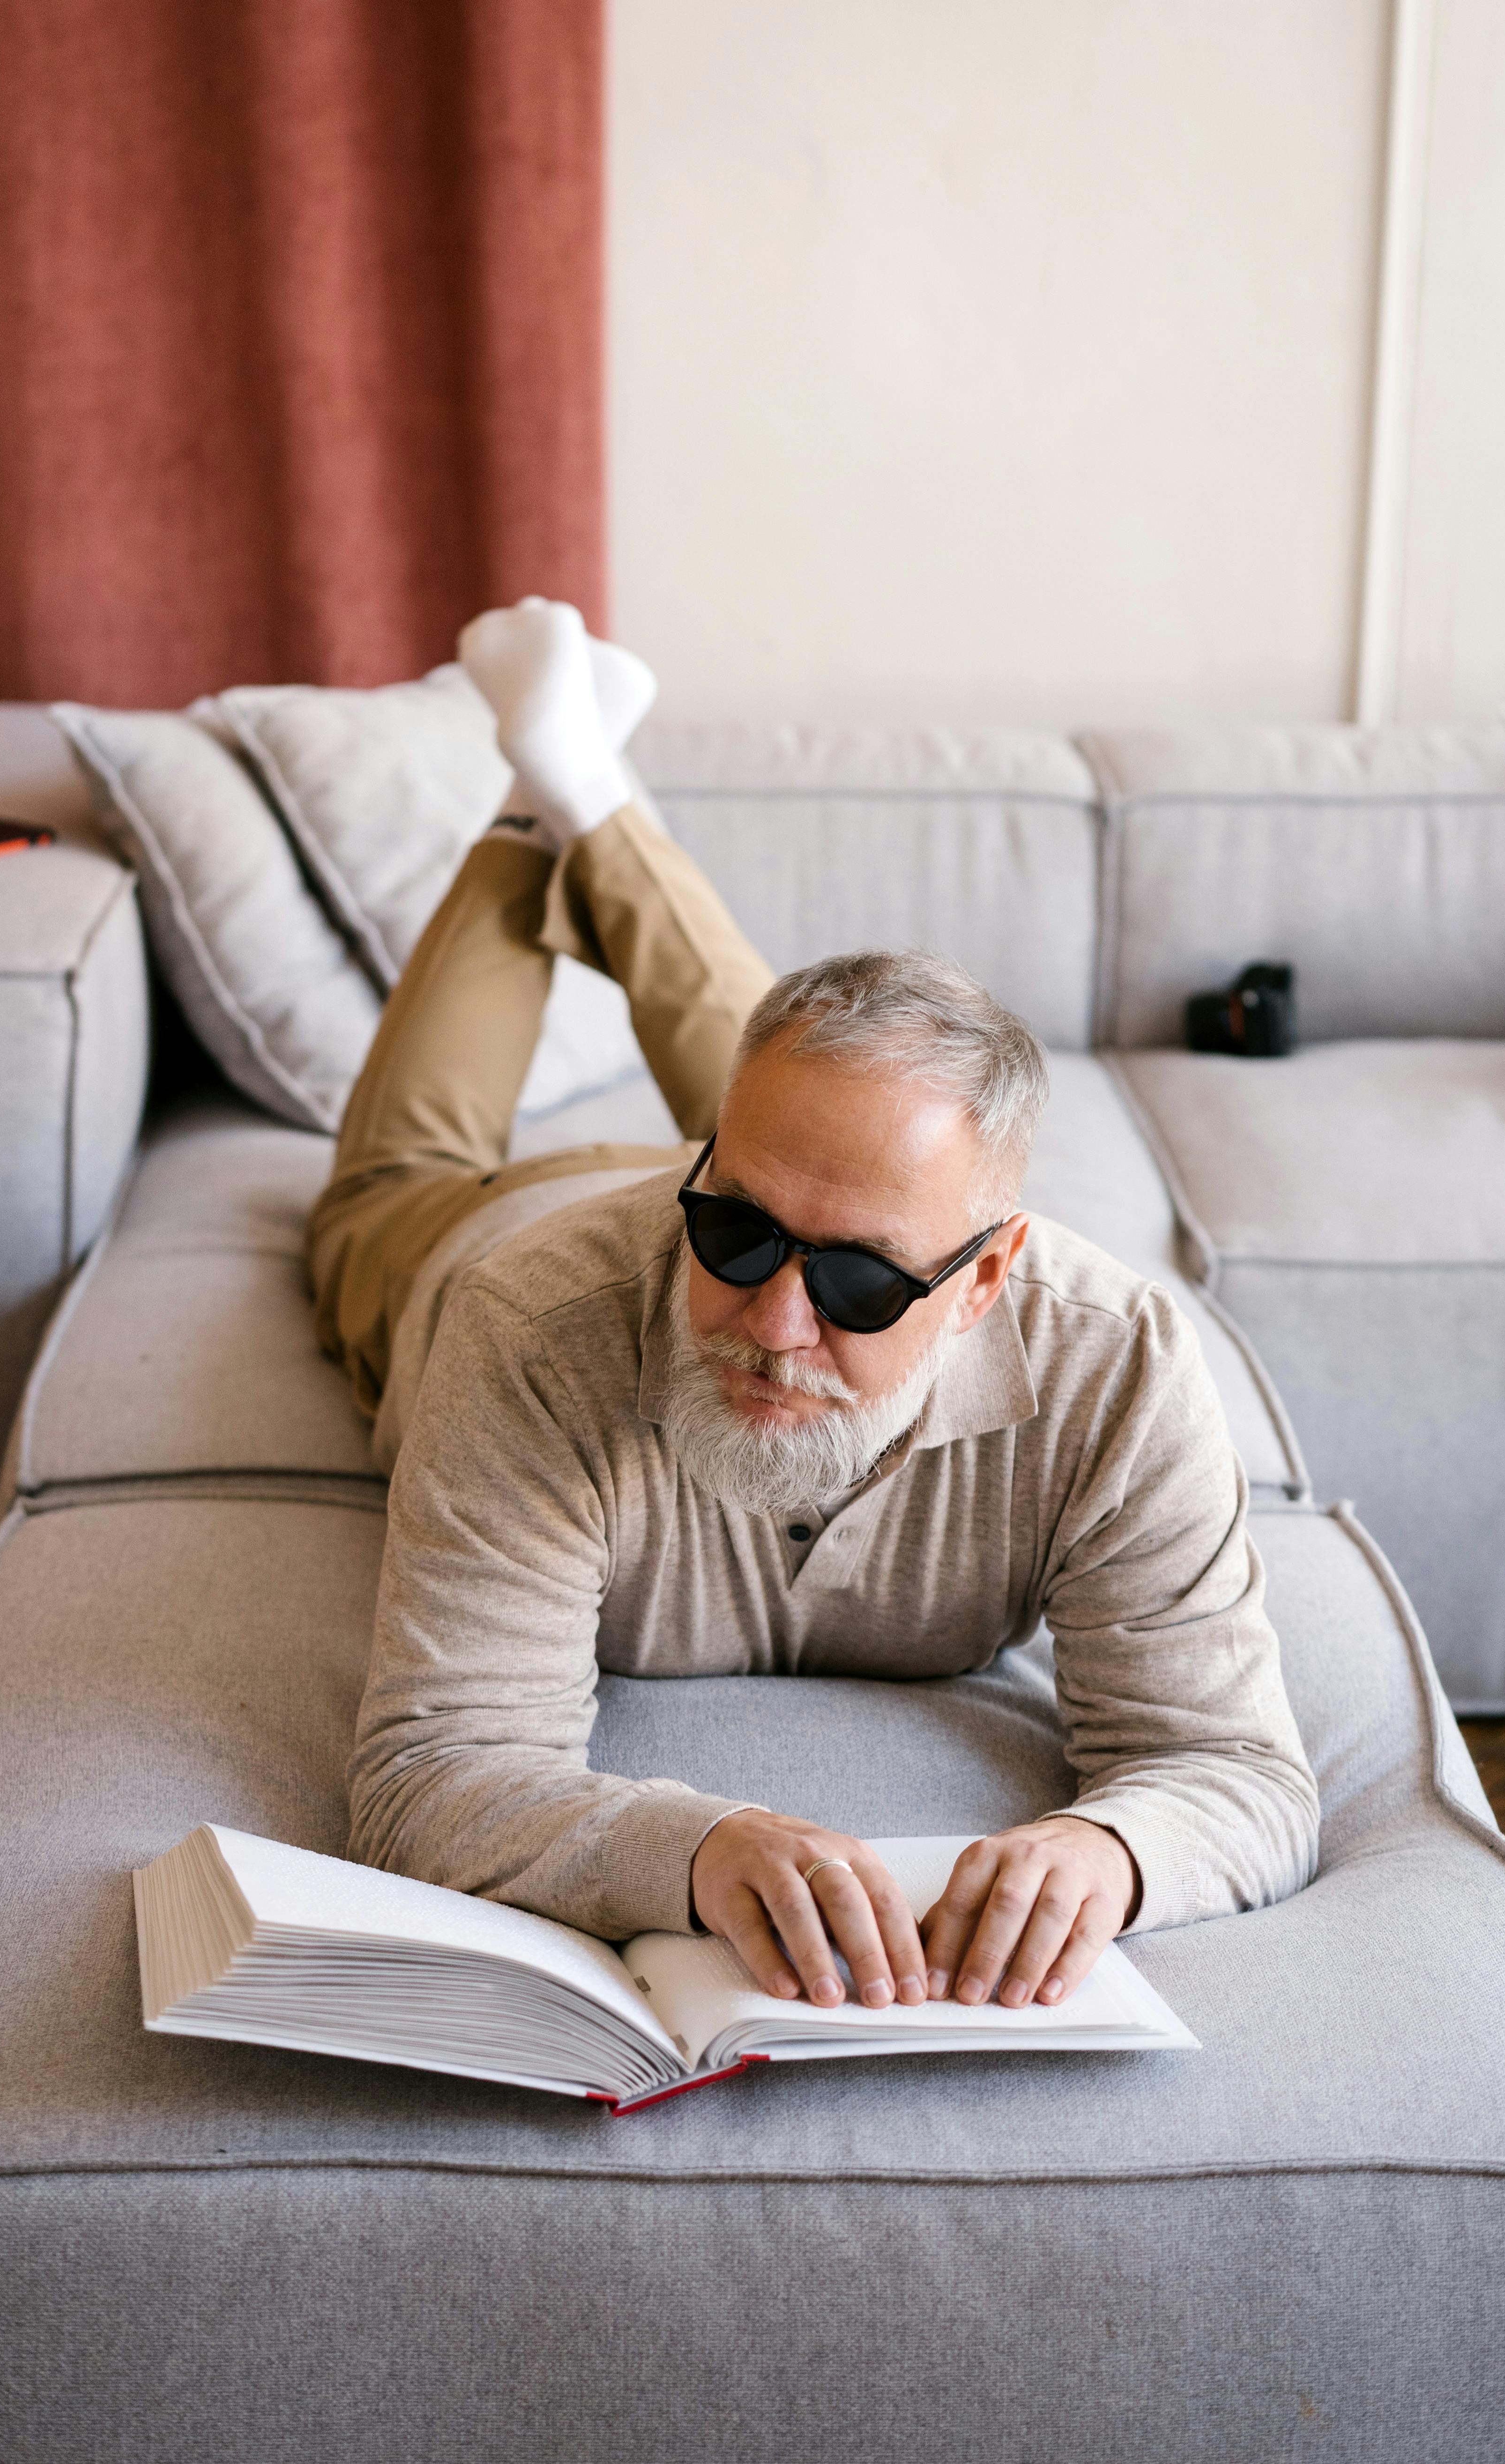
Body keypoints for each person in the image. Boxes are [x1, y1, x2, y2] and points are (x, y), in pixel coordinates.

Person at [313, 599, 1318, 2019]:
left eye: (857, 1283)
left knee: (840, 1083)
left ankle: (572, 783)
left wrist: (1113, 1845)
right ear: (702, 1173)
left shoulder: (1119, 1364)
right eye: (734, 1235)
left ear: (982, 1279)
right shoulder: (525, 1324)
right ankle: (541, 805)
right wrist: (696, 1845)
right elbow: (430, 1769)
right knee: (389, 1174)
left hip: (787, 1168)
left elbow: (1241, 1773)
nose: (776, 1325)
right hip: (481, 1232)